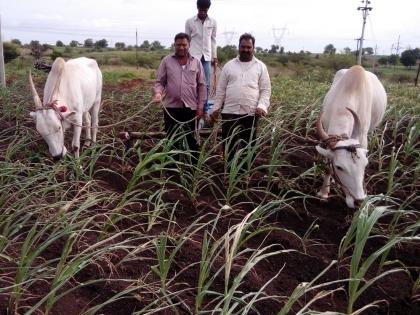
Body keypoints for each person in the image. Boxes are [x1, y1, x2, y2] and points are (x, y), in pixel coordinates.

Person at [211, 33, 271, 167]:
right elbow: (220, 90)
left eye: (249, 47)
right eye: (243, 47)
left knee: (248, 144)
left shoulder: (260, 66)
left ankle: (245, 173)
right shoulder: (229, 66)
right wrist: (216, 109)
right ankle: (229, 170)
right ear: (238, 47)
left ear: (253, 48)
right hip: (229, 112)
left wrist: (262, 106)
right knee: (229, 143)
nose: (245, 50)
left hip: (251, 113)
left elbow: (265, 90)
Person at [153, 32, 206, 163]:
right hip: (171, 107)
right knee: (171, 138)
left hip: (190, 108)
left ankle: (193, 167)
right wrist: (158, 93)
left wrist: (200, 107)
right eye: (178, 45)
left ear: (189, 45)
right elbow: (160, 82)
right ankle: (172, 168)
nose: (181, 47)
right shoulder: (166, 61)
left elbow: (202, 86)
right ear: (174, 45)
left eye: (184, 44)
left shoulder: (196, 62)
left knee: (191, 138)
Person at [185, 0, 217, 116]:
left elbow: (213, 40)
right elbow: (186, 40)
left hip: (207, 57)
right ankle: (192, 107)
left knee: (206, 84)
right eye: (201, 9)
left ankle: (204, 110)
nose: (203, 12)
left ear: (208, 9)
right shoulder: (189, 22)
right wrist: (185, 56)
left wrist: (215, 56)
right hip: (193, 56)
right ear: (197, 8)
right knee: (192, 83)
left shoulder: (213, 22)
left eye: (205, 10)